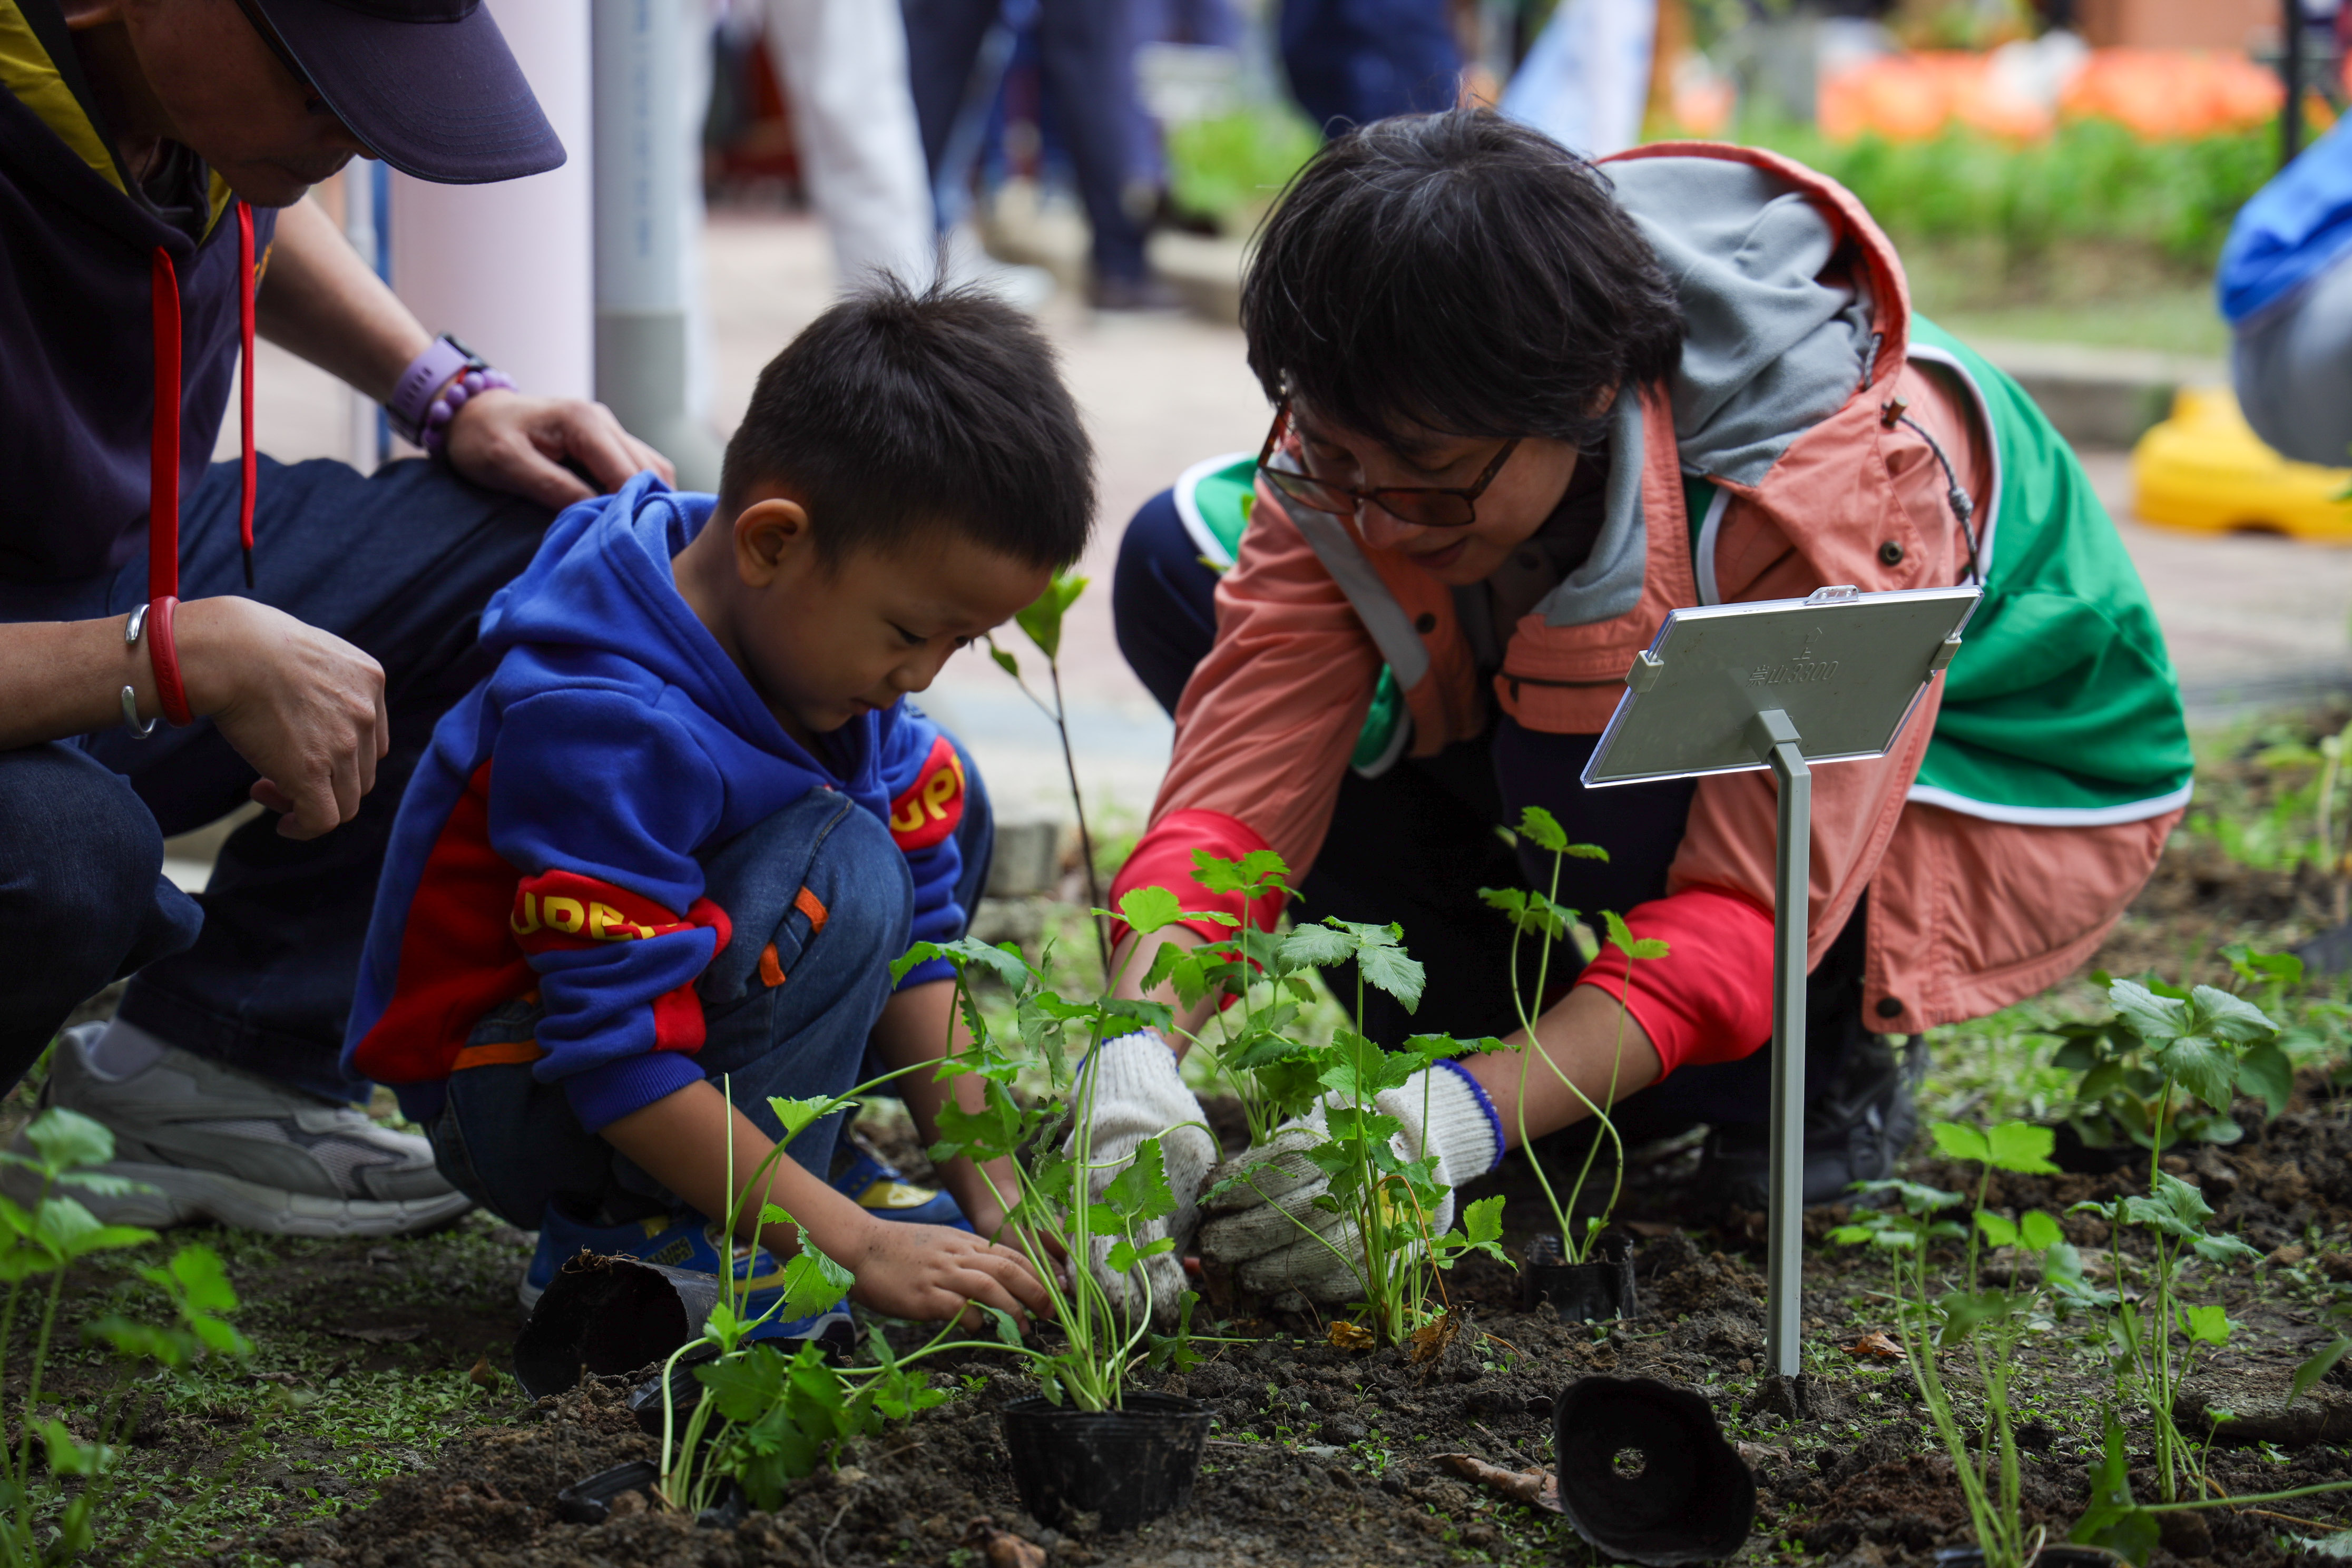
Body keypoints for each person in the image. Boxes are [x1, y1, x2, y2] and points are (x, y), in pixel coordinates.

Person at [1091, 111, 2192, 1305]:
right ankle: (1494, 1060)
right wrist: (1132, 1055)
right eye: (1335, 459)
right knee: (1176, 563)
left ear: (1585, 395)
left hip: (1984, 753)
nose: (1370, 520)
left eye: (1422, 480)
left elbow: (1745, 900)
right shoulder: (1397, 395)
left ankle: (1803, 1071)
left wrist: (1451, 1127)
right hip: (1591, 683)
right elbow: (1243, 788)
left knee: (1589, 760)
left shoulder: (1825, 484)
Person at [0, 0, 675, 1237]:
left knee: (549, 555)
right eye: (318, 81)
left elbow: (252, 207)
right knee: (60, 854)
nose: (351, 132)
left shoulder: (161, 80)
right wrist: (169, 654)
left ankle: (221, 1062)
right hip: (68, 641)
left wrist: (445, 393)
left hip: (104, 567)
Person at [341, 279, 1083, 1334]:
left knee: (930, 801)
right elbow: (613, 1051)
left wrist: (996, 1187)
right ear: (774, 542)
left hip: (644, 1048)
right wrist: (860, 1248)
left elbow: (918, 944)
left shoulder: (815, 648)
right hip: (517, 1087)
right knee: (853, 866)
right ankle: (631, 1237)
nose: (922, 673)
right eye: (914, 632)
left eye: (959, 643)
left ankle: (793, 1176)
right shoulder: (606, 723)